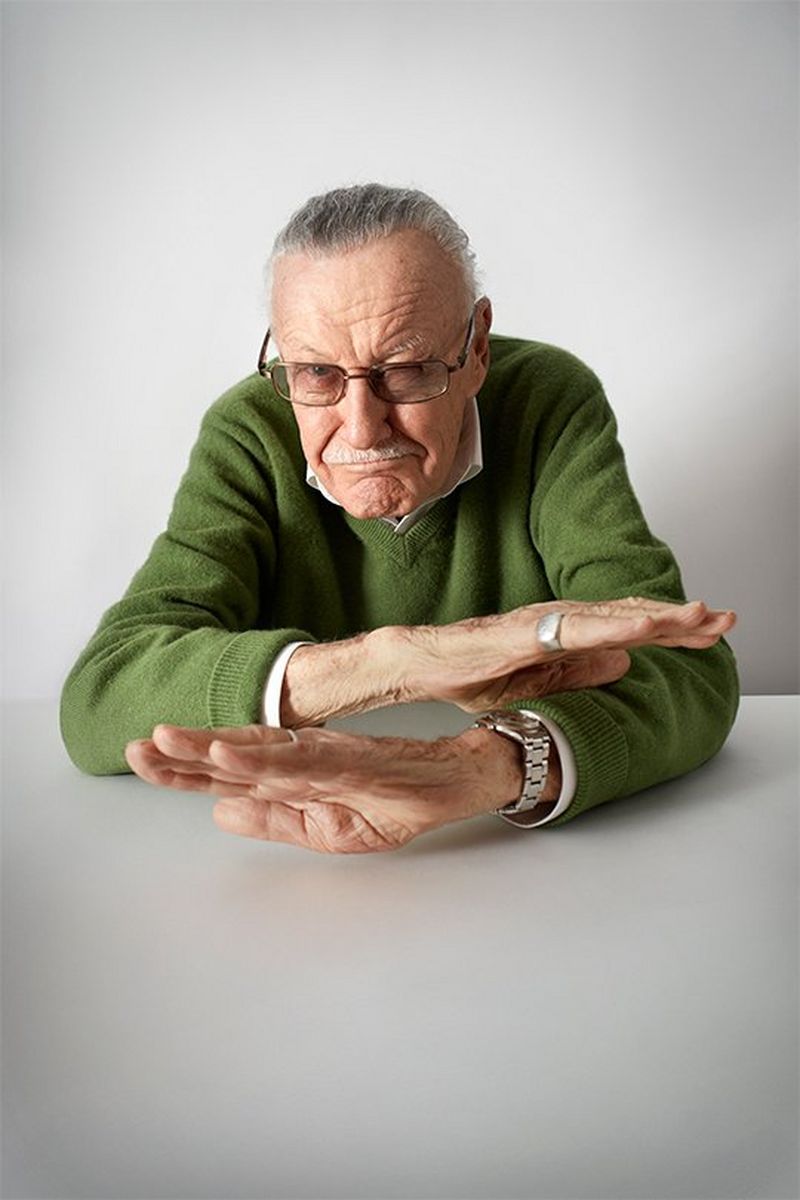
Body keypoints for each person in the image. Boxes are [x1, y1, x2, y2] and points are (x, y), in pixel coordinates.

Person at [60, 184, 738, 854]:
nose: (360, 425)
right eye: (317, 372)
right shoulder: (250, 430)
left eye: (406, 369)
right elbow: (101, 695)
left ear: (477, 349)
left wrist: (482, 766)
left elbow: (684, 671)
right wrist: (399, 662)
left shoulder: (547, 402)